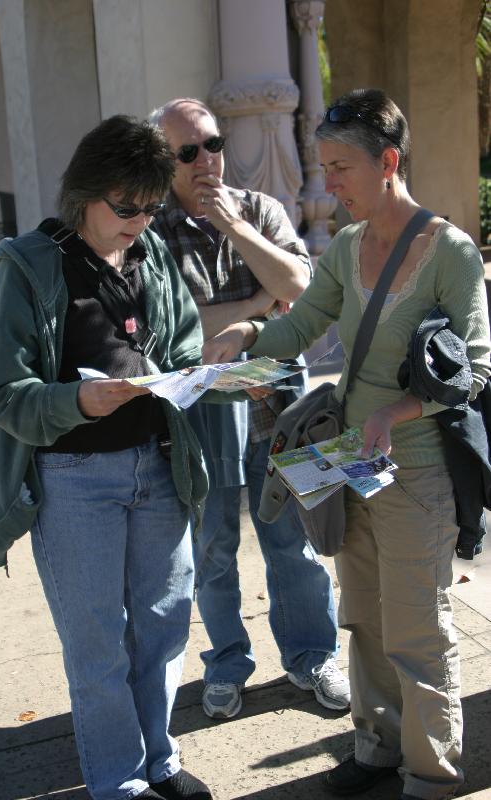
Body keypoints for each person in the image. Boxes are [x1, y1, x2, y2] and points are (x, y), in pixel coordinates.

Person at [201, 88, 491, 800]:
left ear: (387, 162)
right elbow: (298, 329)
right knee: (361, 618)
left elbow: (477, 367)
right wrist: (243, 340)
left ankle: (430, 776)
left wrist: (399, 408)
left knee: (417, 635)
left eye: (339, 167)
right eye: (323, 167)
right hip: (351, 466)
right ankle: (375, 748)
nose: (326, 186)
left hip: (417, 473)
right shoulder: (348, 247)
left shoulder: (449, 252)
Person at [0, 116, 213, 800]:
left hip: (158, 467)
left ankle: (160, 761)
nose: (139, 221)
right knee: (98, 645)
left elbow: (184, 348)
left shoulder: (152, 255)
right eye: (126, 207)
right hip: (75, 479)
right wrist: (80, 404)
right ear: (84, 193)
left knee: (164, 627)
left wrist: (209, 376)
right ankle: (118, 783)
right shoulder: (28, 266)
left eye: (151, 207)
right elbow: (4, 396)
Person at [149, 98, 350, 720]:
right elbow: (173, 333)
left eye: (213, 144)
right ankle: (227, 664)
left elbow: (306, 289)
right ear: (165, 160)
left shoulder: (257, 208)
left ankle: (313, 657)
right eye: (189, 151)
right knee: (212, 545)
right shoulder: (151, 229)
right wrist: (260, 305)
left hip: (282, 406)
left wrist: (237, 230)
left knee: (297, 540)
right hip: (203, 412)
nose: (206, 159)